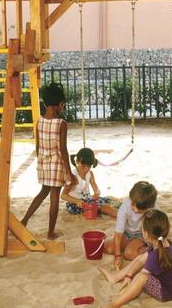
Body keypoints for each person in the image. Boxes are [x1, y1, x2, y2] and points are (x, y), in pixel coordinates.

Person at [98, 209, 172, 308]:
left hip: (166, 292)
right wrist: (128, 275)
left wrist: (124, 293)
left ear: (145, 234)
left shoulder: (157, 255)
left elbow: (141, 279)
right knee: (141, 257)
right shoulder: (160, 242)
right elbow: (141, 260)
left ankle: (115, 304)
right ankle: (115, 278)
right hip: (163, 282)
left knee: (142, 277)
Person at [20, 82, 73, 239]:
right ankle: (50, 232)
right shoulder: (61, 124)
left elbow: (38, 146)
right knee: (54, 196)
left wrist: (40, 162)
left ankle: (24, 220)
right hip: (56, 163)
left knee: (43, 191)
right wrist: (69, 171)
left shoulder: (39, 121)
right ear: (59, 104)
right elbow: (63, 150)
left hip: (43, 161)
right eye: (62, 105)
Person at [103, 181, 157, 269]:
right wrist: (117, 255)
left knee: (128, 254)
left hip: (142, 235)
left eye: (139, 209)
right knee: (108, 249)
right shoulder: (125, 206)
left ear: (149, 207)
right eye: (133, 204)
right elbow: (118, 233)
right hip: (127, 232)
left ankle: (148, 251)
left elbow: (155, 233)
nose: (135, 210)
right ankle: (129, 245)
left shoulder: (154, 210)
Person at [63, 147, 117, 218]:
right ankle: (121, 215)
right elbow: (63, 195)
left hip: (87, 199)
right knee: (104, 207)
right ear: (77, 161)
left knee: (108, 200)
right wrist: (76, 201)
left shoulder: (90, 173)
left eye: (89, 166)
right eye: (83, 166)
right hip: (75, 204)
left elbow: (94, 186)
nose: (86, 169)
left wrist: (96, 193)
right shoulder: (73, 176)